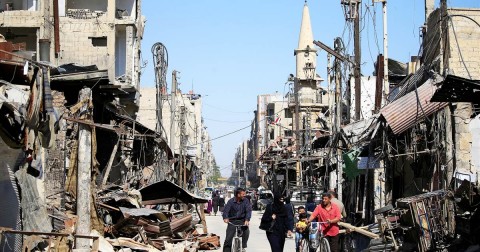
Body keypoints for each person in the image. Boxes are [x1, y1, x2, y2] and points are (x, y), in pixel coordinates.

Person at [223, 188, 252, 252]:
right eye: (243, 194)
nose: (244, 195)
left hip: (242, 220)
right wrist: (225, 218)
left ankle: (243, 246)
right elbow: (226, 211)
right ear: (238, 195)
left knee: (246, 231)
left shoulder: (246, 201)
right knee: (228, 239)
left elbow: (248, 211)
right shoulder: (231, 201)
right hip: (232, 221)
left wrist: (247, 219)